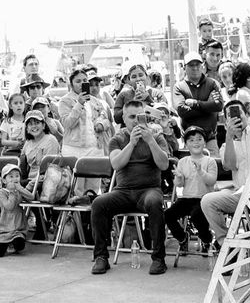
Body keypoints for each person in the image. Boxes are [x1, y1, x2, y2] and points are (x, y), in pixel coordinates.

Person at [90, 99, 170, 277]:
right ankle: (101, 257)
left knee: (155, 202)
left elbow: (164, 165)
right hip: (124, 191)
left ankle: (158, 259)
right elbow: (117, 164)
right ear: (124, 118)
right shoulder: (117, 139)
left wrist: (150, 142)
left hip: (149, 189)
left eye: (139, 116)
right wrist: (132, 143)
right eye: (132, 117)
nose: (136, 121)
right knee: (99, 203)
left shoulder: (156, 137)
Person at [201, 99, 250, 250]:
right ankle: (226, 244)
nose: (236, 117)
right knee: (207, 201)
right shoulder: (226, 144)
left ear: (246, 114)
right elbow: (230, 165)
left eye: (239, 113)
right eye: (231, 115)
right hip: (241, 193)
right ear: (226, 120)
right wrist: (229, 136)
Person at [165, 126, 217, 254]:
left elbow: (211, 181)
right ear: (186, 144)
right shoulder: (183, 162)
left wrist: (200, 171)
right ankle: (182, 237)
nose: (196, 143)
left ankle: (206, 238)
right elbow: (179, 185)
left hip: (204, 199)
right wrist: (178, 177)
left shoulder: (210, 161)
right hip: (187, 198)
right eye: (191, 140)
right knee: (167, 215)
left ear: (204, 142)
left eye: (199, 139)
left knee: (196, 215)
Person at [174, 51, 223, 156]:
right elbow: (182, 111)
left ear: (202, 66)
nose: (195, 68)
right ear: (185, 68)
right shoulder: (179, 87)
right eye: (191, 65)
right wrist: (208, 107)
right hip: (190, 140)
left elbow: (218, 105)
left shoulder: (212, 83)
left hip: (210, 139)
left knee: (213, 169)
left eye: (197, 64)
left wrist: (195, 104)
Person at [60, 69, 109, 160]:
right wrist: (79, 104)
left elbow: (105, 119)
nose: (82, 83)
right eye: (78, 81)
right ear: (72, 85)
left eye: (85, 81)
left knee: (96, 173)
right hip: (73, 149)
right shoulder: (65, 101)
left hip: (95, 148)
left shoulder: (95, 101)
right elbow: (67, 123)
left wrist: (101, 124)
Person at [0, 162, 34, 257]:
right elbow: (9, 207)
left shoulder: (19, 190)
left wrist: (20, 189)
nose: (15, 179)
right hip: (4, 226)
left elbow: (31, 197)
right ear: (4, 180)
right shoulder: (2, 192)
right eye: (11, 177)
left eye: (17, 176)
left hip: (18, 227)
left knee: (19, 244)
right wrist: (11, 192)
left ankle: (13, 244)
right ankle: (6, 244)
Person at [18, 110, 61, 191]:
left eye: (37, 123)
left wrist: (31, 185)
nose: (34, 126)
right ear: (27, 128)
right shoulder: (28, 142)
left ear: (43, 125)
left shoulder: (50, 140)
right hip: (30, 180)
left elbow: (51, 170)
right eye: (30, 124)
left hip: (45, 181)